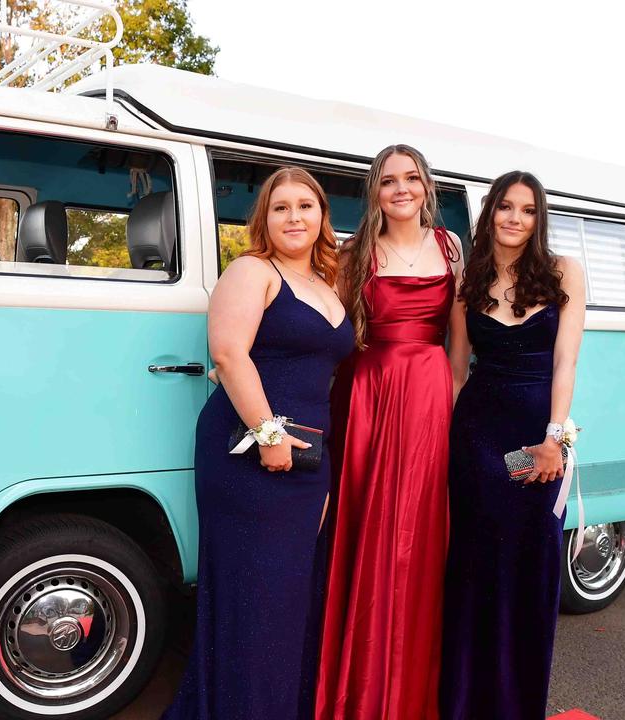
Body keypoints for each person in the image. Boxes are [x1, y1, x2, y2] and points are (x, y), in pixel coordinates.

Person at [163, 167, 354, 720]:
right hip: (250, 452)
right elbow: (228, 353)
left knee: (289, 595)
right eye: (281, 208)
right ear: (263, 219)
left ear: (322, 215)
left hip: (310, 453)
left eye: (305, 206)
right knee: (256, 594)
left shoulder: (328, 282)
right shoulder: (252, 270)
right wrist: (268, 433)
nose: (294, 217)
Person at [317, 144, 460, 720]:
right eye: (388, 181)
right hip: (370, 393)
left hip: (430, 394)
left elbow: (459, 342)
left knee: (421, 533)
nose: (401, 188)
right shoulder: (355, 253)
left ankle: (408, 683)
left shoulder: (450, 247)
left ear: (427, 186)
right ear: (375, 192)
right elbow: (336, 331)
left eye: (411, 178)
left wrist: (453, 404)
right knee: (369, 523)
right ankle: (361, 680)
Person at [439, 170, 585, 720]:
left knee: (529, 564)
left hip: (533, 439)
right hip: (477, 440)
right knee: (475, 567)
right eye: (505, 207)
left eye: (526, 209)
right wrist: (441, 443)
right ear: (490, 212)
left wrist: (553, 440)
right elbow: (456, 371)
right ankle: (465, 702)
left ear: (538, 217)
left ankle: (515, 706)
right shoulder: (467, 279)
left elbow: (566, 361)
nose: (514, 218)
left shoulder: (564, 271)